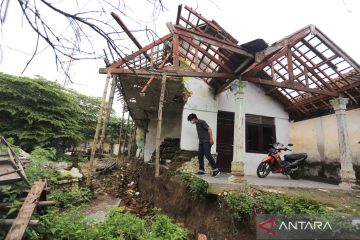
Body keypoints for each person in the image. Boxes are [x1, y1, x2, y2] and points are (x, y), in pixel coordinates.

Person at [187, 113, 220, 177]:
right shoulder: (196, 124)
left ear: (194, 118)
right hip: (201, 142)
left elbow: (209, 129)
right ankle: (201, 170)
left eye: (191, 120)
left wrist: (211, 139)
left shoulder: (202, 122)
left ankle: (216, 170)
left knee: (207, 154)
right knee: (200, 156)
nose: (191, 122)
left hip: (206, 141)